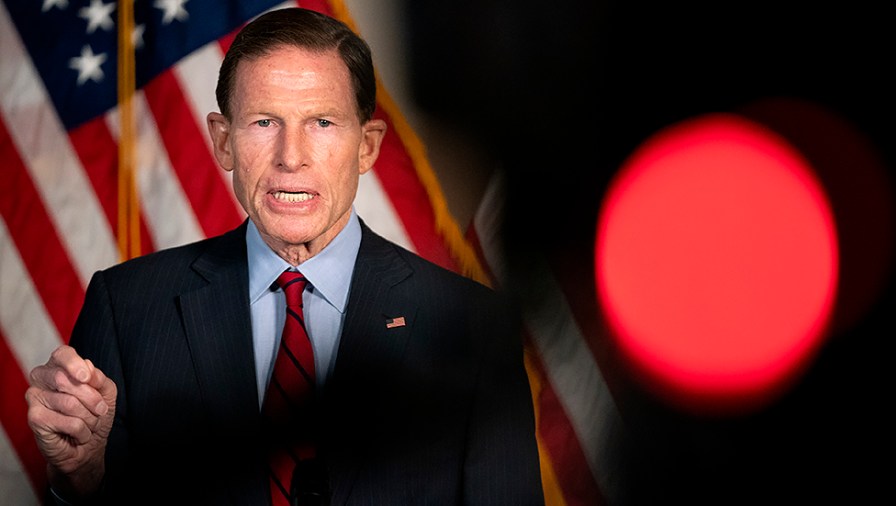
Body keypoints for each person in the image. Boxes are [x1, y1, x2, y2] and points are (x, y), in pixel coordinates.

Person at [24, 7, 543, 506]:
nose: (290, 156)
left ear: (367, 146)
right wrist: (80, 482)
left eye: (321, 122)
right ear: (223, 142)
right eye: (264, 123)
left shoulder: (473, 330)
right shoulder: (127, 309)